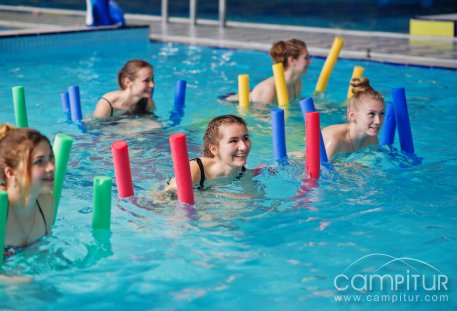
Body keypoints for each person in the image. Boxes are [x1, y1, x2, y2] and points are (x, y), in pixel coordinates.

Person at [1, 125, 55, 257]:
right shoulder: (1, 208)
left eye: (50, 158)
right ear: (11, 172)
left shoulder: (46, 202)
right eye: (39, 161)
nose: (51, 167)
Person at [166, 115, 251, 191]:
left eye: (245, 138)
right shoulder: (194, 170)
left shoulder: (243, 173)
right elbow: (163, 198)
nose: (243, 147)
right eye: (233, 141)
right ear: (214, 149)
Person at [224, 39, 311, 104]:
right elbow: (259, 121)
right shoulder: (269, 89)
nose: (310, 61)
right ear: (292, 60)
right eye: (306, 58)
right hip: (231, 102)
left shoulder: (297, 82)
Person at [322, 77, 385, 161]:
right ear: (352, 115)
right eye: (371, 114)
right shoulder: (335, 142)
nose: (378, 121)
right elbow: (318, 171)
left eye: (381, 114)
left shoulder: (371, 139)